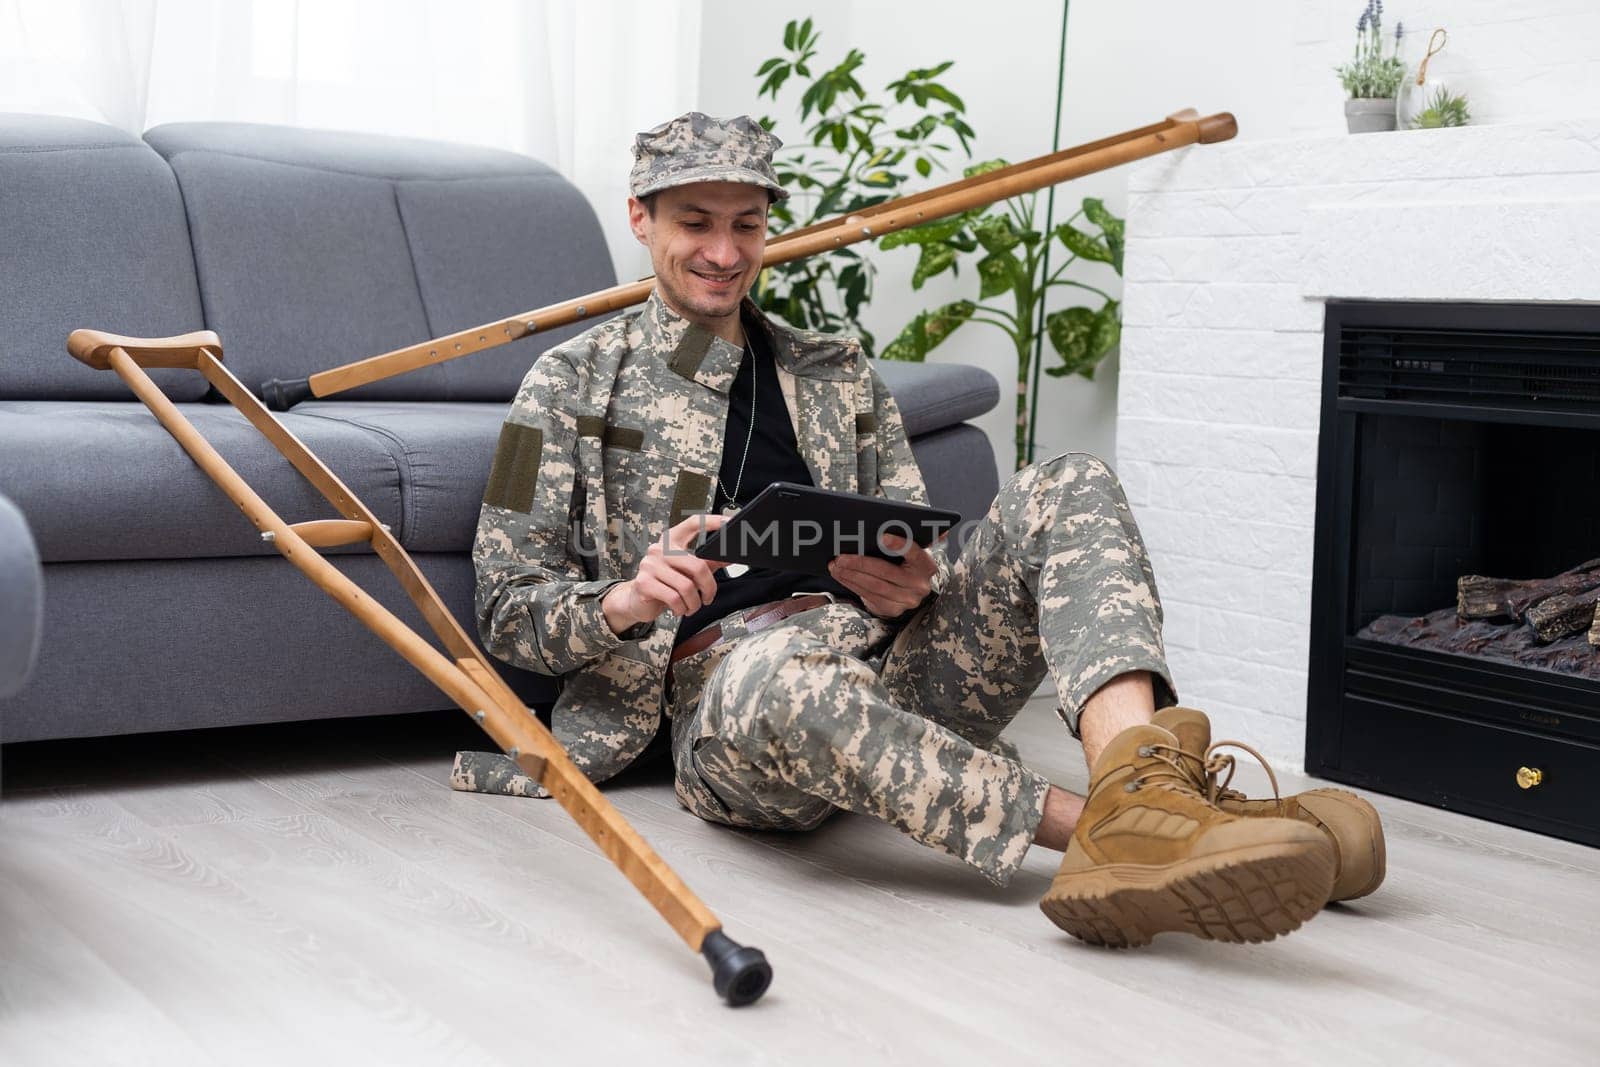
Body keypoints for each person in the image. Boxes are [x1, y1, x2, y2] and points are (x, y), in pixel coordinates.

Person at [463, 112, 1385, 946]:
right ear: (641, 218)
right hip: (729, 697)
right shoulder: (562, 386)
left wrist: (917, 585)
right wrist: (625, 600)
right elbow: (505, 604)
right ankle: (1128, 833)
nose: (722, 249)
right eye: (695, 221)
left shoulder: (839, 373)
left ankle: (1142, 790)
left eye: (745, 223)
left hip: (891, 662)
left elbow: (921, 544)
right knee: (787, 681)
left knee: (1071, 480)